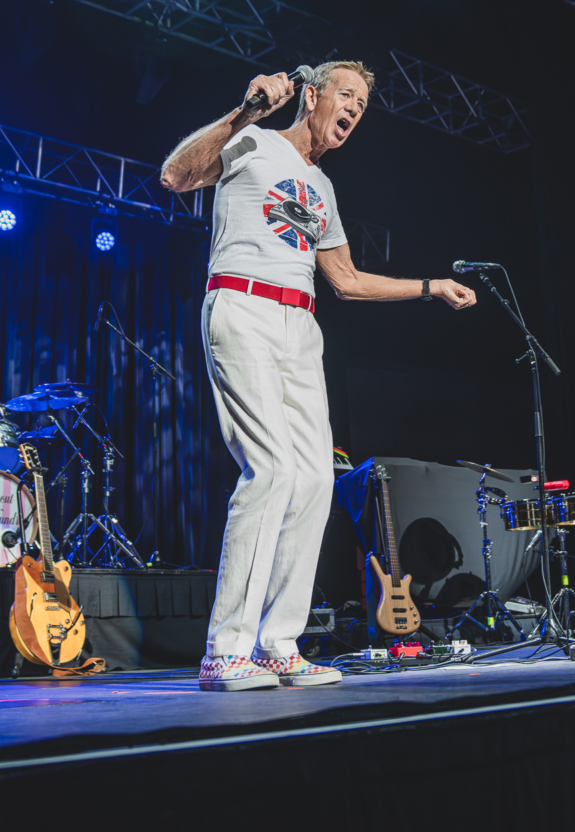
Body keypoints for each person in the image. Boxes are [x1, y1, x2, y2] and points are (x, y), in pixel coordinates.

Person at [161, 62, 477, 692]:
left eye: (363, 103)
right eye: (347, 95)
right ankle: (225, 650)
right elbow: (176, 175)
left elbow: (348, 281)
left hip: (301, 327)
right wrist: (247, 110)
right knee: (272, 469)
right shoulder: (252, 140)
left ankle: (279, 645)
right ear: (313, 94)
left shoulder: (323, 189)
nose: (355, 109)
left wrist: (428, 287)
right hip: (242, 304)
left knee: (311, 479)